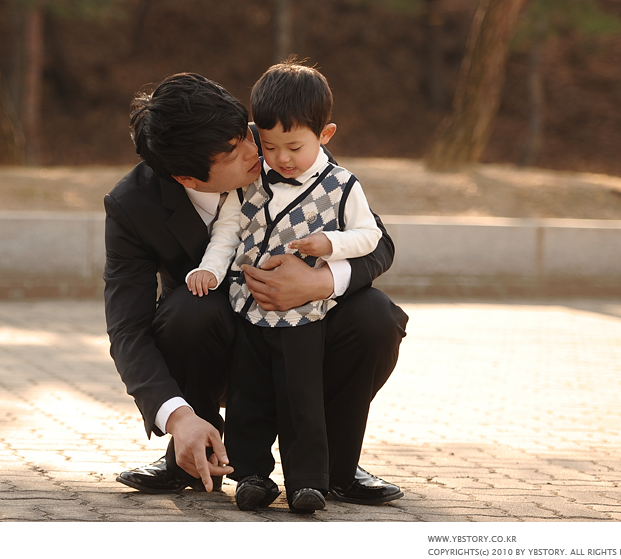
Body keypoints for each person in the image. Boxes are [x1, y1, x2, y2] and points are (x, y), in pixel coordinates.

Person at [104, 71, 408, 505]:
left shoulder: (281, 140)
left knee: (375, 315)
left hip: (308, 333)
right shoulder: (134, 206)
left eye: (245, 134)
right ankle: (191, 453)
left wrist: (320, 281)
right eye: (233, 150)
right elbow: (127, 329)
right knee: (188, 312)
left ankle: (336, 465)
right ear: (188, 178)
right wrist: (176, 417)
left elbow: (378, 241)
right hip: (220, 348)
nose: (255, 151)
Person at [184, 60, 385, 512]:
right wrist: (210, 270)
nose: (282, 159)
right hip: (249, 308)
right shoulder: (249, 181)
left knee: (301, 397)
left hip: (304, 315)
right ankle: (251, 475)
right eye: (270, 146)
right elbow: (227, 232)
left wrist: (330, 244)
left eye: (294, 146)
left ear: (325, 135)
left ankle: (307, 481)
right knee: (248, 395)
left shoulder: (342, 186)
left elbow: (370, 235)